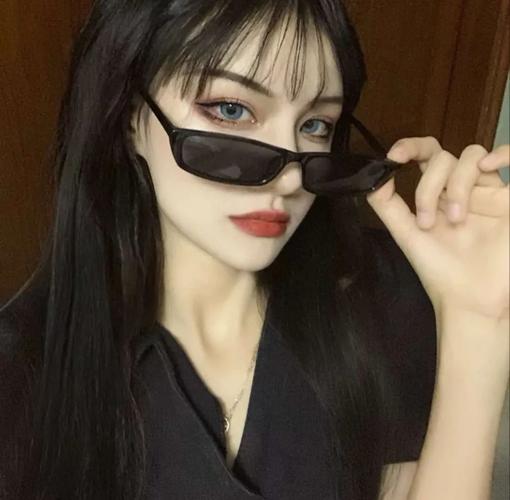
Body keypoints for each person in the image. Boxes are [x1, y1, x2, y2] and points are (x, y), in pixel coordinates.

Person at [0, 1, 508, 499]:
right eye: (232, 110)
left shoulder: (380, 299)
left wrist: (478, 320)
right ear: (132, 117)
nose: (289, 178)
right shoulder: (21, 372)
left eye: (315, 125)